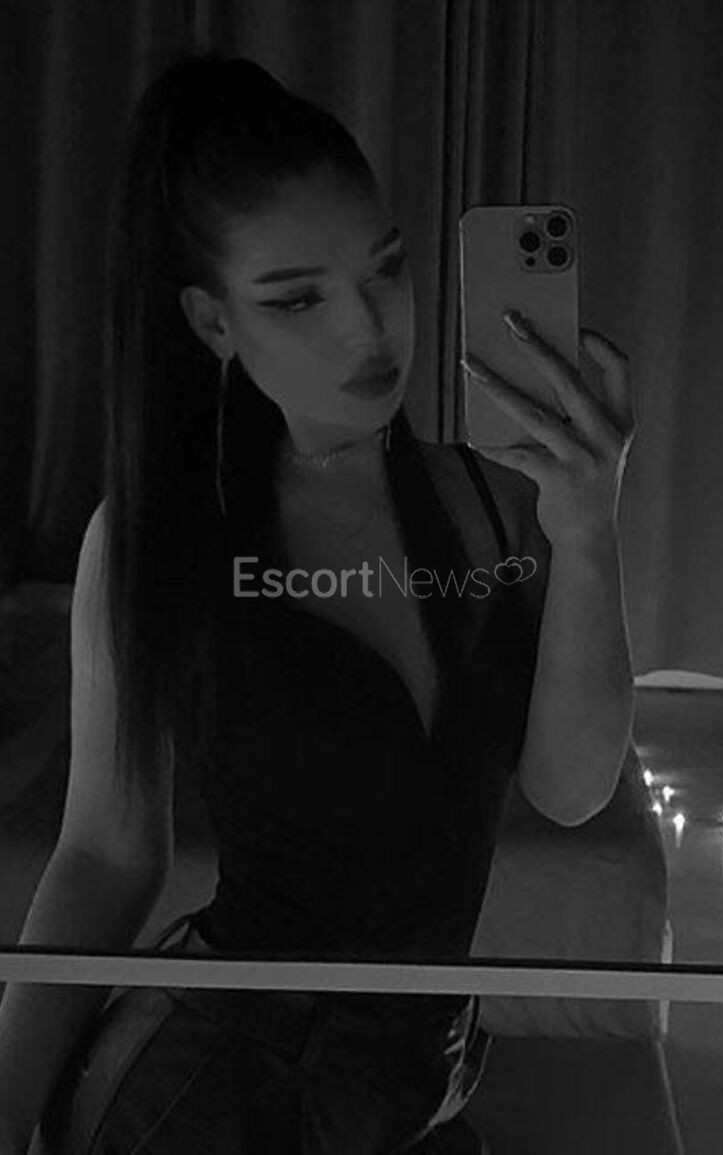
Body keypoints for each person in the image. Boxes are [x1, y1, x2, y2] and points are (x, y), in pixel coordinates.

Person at [0, 50, 636, 1154]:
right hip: (203, 1096)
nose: (367, 328)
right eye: (297, 297)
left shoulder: (496, 506)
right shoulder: (155, 538)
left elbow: (571, 790)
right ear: (212, 323)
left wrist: (588, 532)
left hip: (415, 1096)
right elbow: (106, 853)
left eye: (385, 270)